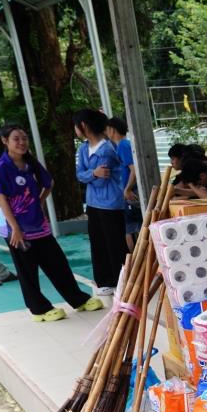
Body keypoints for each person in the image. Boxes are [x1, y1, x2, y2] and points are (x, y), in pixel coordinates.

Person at [0, 123, 102, 321]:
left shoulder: (30, 162)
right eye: (16, 139)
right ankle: (39, 310)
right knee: (27, 270)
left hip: (38, 224)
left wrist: (39, 201)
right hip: (16, 228)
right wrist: (15, 228)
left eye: (24, 138)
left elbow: (49, 183)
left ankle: (78, 300)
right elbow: (0, 198)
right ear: (5, 141)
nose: (21, 142)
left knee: (57, 262)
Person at [74, 108, 127, 295]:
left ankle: (121, 281)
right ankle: (104, 281)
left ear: (83, 125)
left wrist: (91, 175)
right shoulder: (83, 148)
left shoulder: (106, 149)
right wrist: (93, 173)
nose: (75, 129)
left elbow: (101, 179)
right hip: (93, 203)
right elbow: (79, 175)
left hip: (110, 203)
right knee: (97, 242)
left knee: (114, 243)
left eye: (76, 126)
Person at [106, 116, 141, 249]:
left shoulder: (123, 145)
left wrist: (127, 189)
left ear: (113, 130)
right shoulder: (122, 145)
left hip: (131, 192)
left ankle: (133, 257)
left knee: (130, 229)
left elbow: (134, 170)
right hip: (129, 191)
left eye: (107, 129)